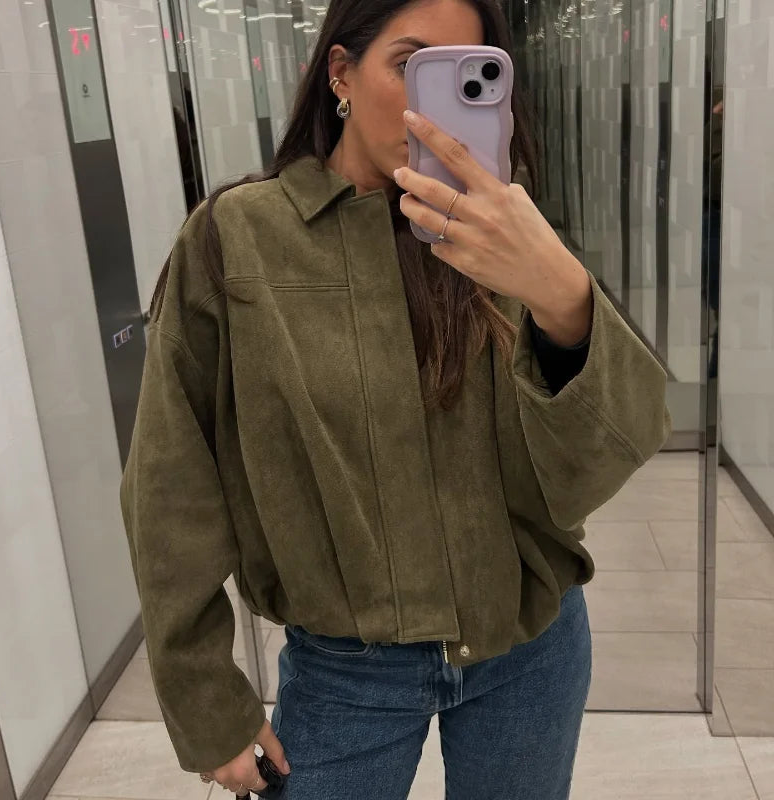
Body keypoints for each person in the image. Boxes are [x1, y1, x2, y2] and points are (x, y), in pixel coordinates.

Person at [120, 1, 671, 798]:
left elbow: (605, 457)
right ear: (341, 73)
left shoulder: (503, 232)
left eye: (465, 73)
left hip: (530, 649)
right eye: (411, 65)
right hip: (346, 673)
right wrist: (205, 698)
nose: (431, 104)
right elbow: (172, 484)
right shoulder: (238, 240)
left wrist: (562, 296)